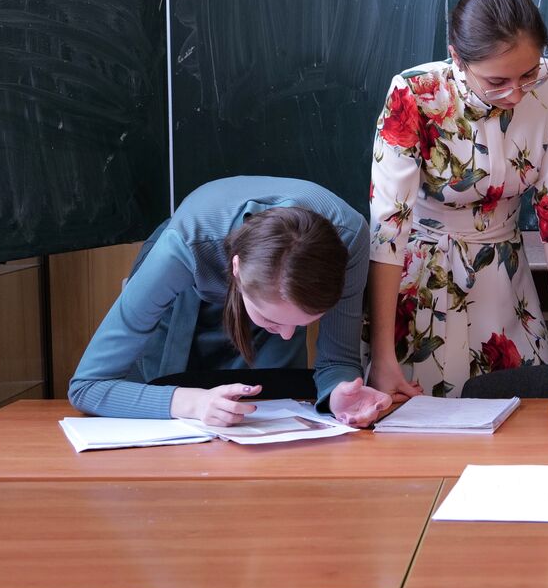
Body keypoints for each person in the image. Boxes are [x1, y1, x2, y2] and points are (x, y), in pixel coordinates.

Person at [365, 0, 548, 399]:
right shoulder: (415, 94)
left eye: (527, 74)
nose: (515, 93)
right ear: (457, 57)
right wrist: (382, 355)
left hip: (505, 275)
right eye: (496, 82)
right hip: (425, 280)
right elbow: (387, 227)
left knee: (521, 419)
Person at [69, 176, 388, 426]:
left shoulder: (348, 239)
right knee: (170, 388)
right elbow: (87, 386)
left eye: (305, 323)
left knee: (277, 400)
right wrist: (191, 403)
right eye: (273, 321)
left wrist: (338, 396)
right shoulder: (181, 247)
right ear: (235, 270)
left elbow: (337, 363)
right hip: (187, 287)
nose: (290, 336)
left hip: (273, 290)